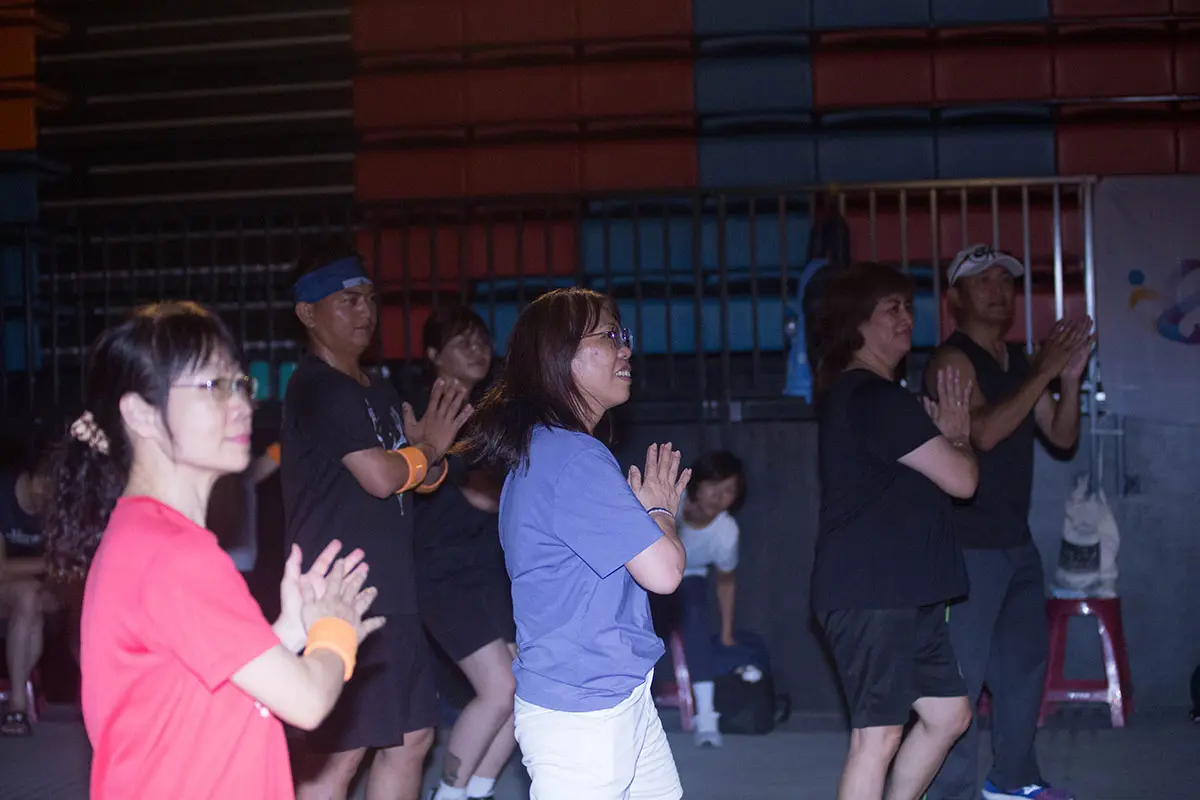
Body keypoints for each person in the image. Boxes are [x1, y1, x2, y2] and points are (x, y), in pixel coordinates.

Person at [41, 301, 383, 799]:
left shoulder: (143, 535)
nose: (241, 403)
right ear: (140, 413)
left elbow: (203, 682)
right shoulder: (173, 554)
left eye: (240, 384)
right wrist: (336, 632)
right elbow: (307, 701)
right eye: (212, 386)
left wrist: (291, 630)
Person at [461, 287, 690, 800]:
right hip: (584, 713)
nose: (625, 349)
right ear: (560, 356)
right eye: (609, 336)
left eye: (622, 335)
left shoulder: (549, 450)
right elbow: (665, 573)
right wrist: (659, 511)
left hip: (613, 693)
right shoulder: (572, 458)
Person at [280, 253, 471, 800]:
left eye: (369, 299)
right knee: (339, 756)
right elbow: (382, 477)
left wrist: (428, 456)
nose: (365, 311)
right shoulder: (318, 387)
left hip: (392, 586)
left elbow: (411, 475)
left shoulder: (377, 389)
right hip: (341, 593)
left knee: (411, 739)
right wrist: (427, 450)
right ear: (308, 313)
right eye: (348, 300)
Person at [924, 245, 1091, 800]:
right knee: (962, 679)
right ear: (955, 297)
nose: (998, 290)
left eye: (1005, 280)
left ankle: (1013, 780)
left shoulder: (1016, 360)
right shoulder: (952, 360)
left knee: (1022, 668)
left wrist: (1068, 379)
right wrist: (1042, 370)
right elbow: (984, 434)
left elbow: (1061, 435)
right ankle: (950, 792)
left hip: (1015, 539)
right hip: (966, 543)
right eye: (982, 281)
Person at [811, 262, 979, 800]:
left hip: (905, 592)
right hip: (873, 594)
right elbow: (963, 480)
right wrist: (958, 437)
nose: (906, 316)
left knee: (948, 715)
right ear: (857, 322)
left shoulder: (873, 395)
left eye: (908, 306)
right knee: (876, 737)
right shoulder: (873, 397)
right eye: (891, 308)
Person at [413, 307, 516, 800]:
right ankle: (449, 795)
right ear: (434, 355)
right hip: (441, 570)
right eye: (462, 342)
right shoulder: (424, 414)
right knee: (499, 688)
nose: (477, 350)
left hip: (490, 566)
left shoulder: (494, 410)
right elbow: (481, 493)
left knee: (522, 688)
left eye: (481, 340)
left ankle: (476, 792)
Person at [656, 449, 764, 749]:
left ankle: (706, 718)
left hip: (689, 577)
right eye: (714, 485)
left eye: (729, 491)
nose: (719, 496)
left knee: (694, 612)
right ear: (698, 482)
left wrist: (727, 633)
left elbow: (726, 582)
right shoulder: (672, 502)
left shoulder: (726, 531)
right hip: (649, 573)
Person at [0, 439, 52, 736]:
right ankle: (18, 701)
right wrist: (51, 564)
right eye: (47, 483)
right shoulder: (3, 495)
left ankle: (18, 704)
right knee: (28, 594)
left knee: (33, 599)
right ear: (31, 477)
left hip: (33, 594)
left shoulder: (55, 506)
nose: (50, 494)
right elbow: (1, 569)